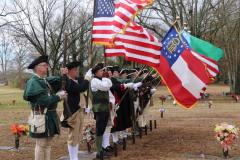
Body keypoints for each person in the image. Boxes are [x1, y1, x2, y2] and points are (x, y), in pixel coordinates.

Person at [23, 55, 67, 160]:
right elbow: (43, 100)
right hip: (41, 117)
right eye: (44, 65)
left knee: (47, 144)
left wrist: (63, 74)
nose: (47, 67)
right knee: (41, 144)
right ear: (38, 67)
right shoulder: (34, 82)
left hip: (49, 115)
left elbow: (57, 80)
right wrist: (58, 96)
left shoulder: (44, 80)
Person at [61, 61, 91, 160]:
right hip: (73, 112)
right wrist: (86, 78)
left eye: (77, 69)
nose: (76, 72)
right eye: (74, 70)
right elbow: (81, 88)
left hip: (80, 110)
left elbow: (84, 85)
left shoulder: (77, 80)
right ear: (68, 71)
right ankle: (73, 158)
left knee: (78, 136)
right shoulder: (68, 82)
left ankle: (75, 156)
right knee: (72, 136)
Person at [90, 63, 113, 159]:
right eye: (100, 71)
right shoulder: (94, 81)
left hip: (105, 108)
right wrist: (107, 82)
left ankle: (101, 148)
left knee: (103, 129)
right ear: (96, 72)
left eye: (102, 70)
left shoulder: (102, 80)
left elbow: (109, 84)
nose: (102, 72)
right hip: (99, 109)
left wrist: (107, 82)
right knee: (99, 130)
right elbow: (105, 87)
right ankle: (99, 151)